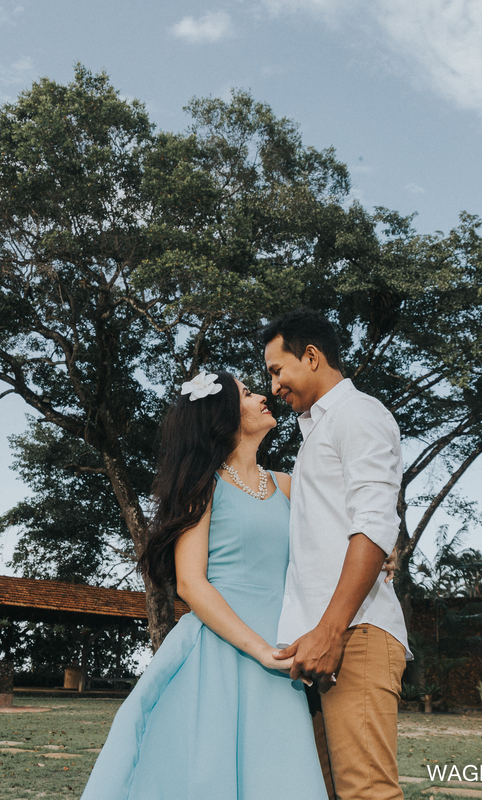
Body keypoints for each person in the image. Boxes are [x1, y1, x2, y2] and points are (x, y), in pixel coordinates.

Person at [80, 371, 327, 800]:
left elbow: (328, 542)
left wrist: (376, 556)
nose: (263, 396)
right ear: (224, 415)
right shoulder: (203, 487)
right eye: (247, 394)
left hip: (281, 647)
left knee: (277, 774)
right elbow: (191, 584)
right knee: (205, 775)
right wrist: (260, 650)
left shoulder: (288, 485)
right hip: (219, 651)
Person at [264, 308, 411, 800]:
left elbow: (374, 522)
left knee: (366, 792)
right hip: (320, 644)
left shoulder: (357, 414)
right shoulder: (315, 435)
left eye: (277, 370)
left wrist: (330, 630)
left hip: (354, 635)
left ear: (311, 356)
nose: (273, 386)